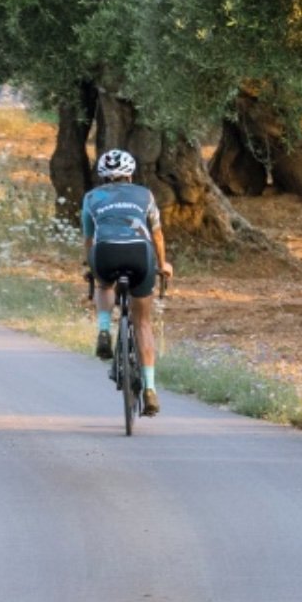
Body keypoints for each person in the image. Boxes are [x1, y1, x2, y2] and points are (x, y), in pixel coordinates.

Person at [80, 148, 174, 415]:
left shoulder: (91, 198)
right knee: (142, 323)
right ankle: (150, 389)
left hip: (105, 253)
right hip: (140, 254)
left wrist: (91, 266)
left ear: (102, 175)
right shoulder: (145, 195)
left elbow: (89, 239)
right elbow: (157, 235)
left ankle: (103, 330)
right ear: (130, 174)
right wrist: (163, 264)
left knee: (104, 284)